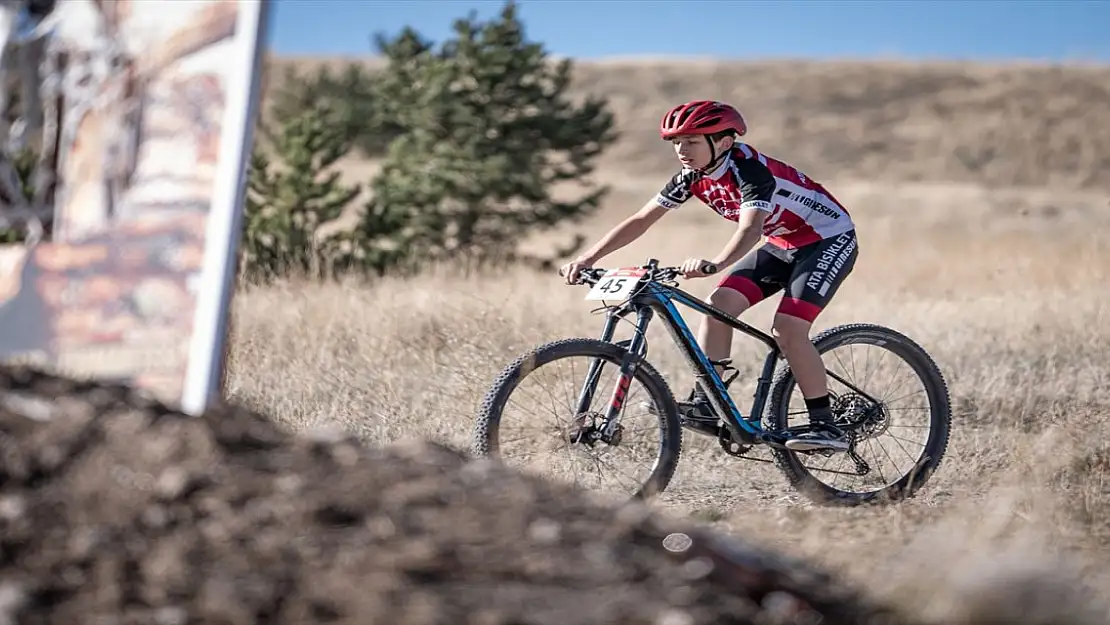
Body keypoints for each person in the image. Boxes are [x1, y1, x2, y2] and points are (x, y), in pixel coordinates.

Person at [559, 99, 859, 452]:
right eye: (676, 143)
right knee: (718, 307)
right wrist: (588, 257)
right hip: (783, 241)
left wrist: (715, 263)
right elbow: (641, 220)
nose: (681, 150)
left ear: (724, 142)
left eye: (692, 142)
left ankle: (826, 426)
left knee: (789, 329)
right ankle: (707, 404)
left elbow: (750, 230)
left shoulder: (750, 170)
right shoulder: (691, 177)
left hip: (827, 239)